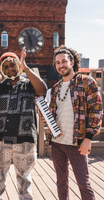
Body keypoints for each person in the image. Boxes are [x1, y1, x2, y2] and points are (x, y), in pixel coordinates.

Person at [0, 48, 47, 200]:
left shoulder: (29, 84)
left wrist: (26, 68)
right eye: (5, 67)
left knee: (24, 180)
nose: (9, 68)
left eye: (12, 64)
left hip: (24, 138)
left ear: (19, 65)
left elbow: (42, 90)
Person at [48, 45, 103, 200]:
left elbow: (97, 110)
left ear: (72, 62)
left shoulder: (87, 82)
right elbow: (53, 114)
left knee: (83, 184)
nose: (61, 65)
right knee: (61, 183)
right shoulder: (55, 88)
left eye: (64, 61)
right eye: (57, 63)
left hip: (77, 142)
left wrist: (89, 138)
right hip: (57, 142)